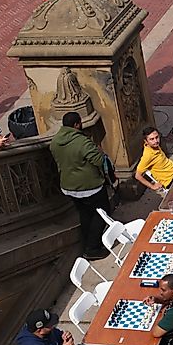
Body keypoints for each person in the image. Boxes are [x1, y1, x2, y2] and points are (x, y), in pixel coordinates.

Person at [49, 112, 111, 261]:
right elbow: (97, 160)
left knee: (85, 214)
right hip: (90, 186)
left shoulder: (55, 141)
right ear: (77, 124)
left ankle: (87, 244)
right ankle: (92, 248)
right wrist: (99, 151)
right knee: (102, 212)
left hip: (68, 187)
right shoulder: (82, 142)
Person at [134, 126, 173, 192]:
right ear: (146, 141)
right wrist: (152, 186)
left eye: (157, 137)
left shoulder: (155, 146)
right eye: (151, 139)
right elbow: (137, 176)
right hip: (170, 180)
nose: (156, 141)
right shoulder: (148, 156)